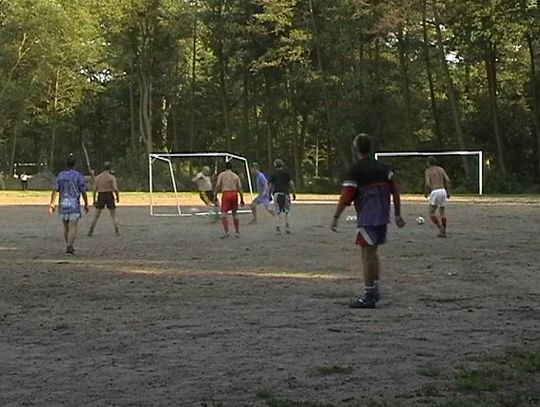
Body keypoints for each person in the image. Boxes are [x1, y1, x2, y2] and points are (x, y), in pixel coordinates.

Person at [331, 133, 405, 309]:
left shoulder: (355, 170)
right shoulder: (384, 168)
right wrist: (397, 214)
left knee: (367, 255)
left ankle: (369, 295)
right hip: (383, 216)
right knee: (374, 253)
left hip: (368, 217)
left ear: (356, 148)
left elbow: (346, 197)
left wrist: (336, 217)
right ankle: (375, 289)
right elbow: (395, 191)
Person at [49, 155, 89, 254]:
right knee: (73, 226)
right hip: (74, 203)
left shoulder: (61, 175)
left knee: (66, 227)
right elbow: (83, 191)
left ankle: (68, 244)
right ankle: (70, 245)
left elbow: (55, 190)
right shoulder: (78, 176)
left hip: (63, 203)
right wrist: (86, 203)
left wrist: (52, 203)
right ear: (75, 164)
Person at [88, 162, 120, 237]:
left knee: (96, 215)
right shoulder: (111, 177)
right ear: (110, 168)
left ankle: (91, 230)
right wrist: (117, 196)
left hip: (101, 195)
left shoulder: (98, 177)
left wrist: (94, 199)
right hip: (109, 194)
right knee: (113, 214)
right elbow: (115, 188)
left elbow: (94, 189)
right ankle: (117, 230)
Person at [214, 161, 244, 238]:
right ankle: (237, 232)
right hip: (234, 194)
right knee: (235, 214)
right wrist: (242, 199)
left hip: (226, 194)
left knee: (224, 214)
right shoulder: (235, 176)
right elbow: (240, 188)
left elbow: (218, 185)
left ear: (225, 167)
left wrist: (215, 195)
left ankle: (226, 232)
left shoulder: (222, 175)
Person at [424, 156, 451, 238]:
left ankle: (440, 227)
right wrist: (448, 191)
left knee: (431, 213)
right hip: (443, 191)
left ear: (429, 162)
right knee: (442, 212)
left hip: (435, 191)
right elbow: (447, 180)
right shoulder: (441, 169)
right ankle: (444, 232)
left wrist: (426, 192)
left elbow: (428, 183)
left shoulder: (428, 171)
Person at [268, 159, 296, 235]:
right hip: (285, 194)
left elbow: (270, 185)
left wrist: (269, 194)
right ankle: (287, 227)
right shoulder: (286, 173)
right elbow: (291, 183)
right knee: (287, 211)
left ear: (275, 165)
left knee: (277, 212)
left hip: (277, 194)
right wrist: (293, 193)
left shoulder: (273, 174)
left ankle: (278, 228)